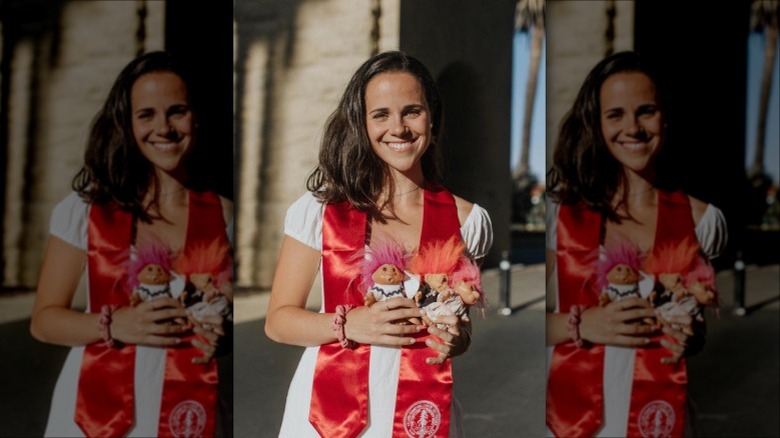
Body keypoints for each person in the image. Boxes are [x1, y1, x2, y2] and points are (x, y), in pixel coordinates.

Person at [265, 51, 493, 437]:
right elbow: (278, 321)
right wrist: (348, 323)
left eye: (412, 111)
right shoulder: (319, 210)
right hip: (324, 417)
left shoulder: (469, 221)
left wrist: (458, 340)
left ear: (432, 118)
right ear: (362, 123)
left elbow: (459, 319)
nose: (398, 128)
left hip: (422, 414)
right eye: (381, 114)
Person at [30, 51, 233, 438]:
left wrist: (224, 333)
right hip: (92, 413)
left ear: (196, 117)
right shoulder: (85, 210)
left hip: (190, 410)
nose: (164, 128)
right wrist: (113, 323)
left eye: (177, 111)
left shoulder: (223, 215)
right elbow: (43, 321)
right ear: (126, 122)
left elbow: (226, 306)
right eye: (146, 115)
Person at [545, 51, 727, 437]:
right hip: (574, 420)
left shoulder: (702, 220)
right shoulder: (560, 213)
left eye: (646, 111)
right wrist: (581, 323)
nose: (633, 128)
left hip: (661, 415)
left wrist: (693, 337)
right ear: (595, 123)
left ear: (665, 117)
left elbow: (695, 317)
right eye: (616, 114)